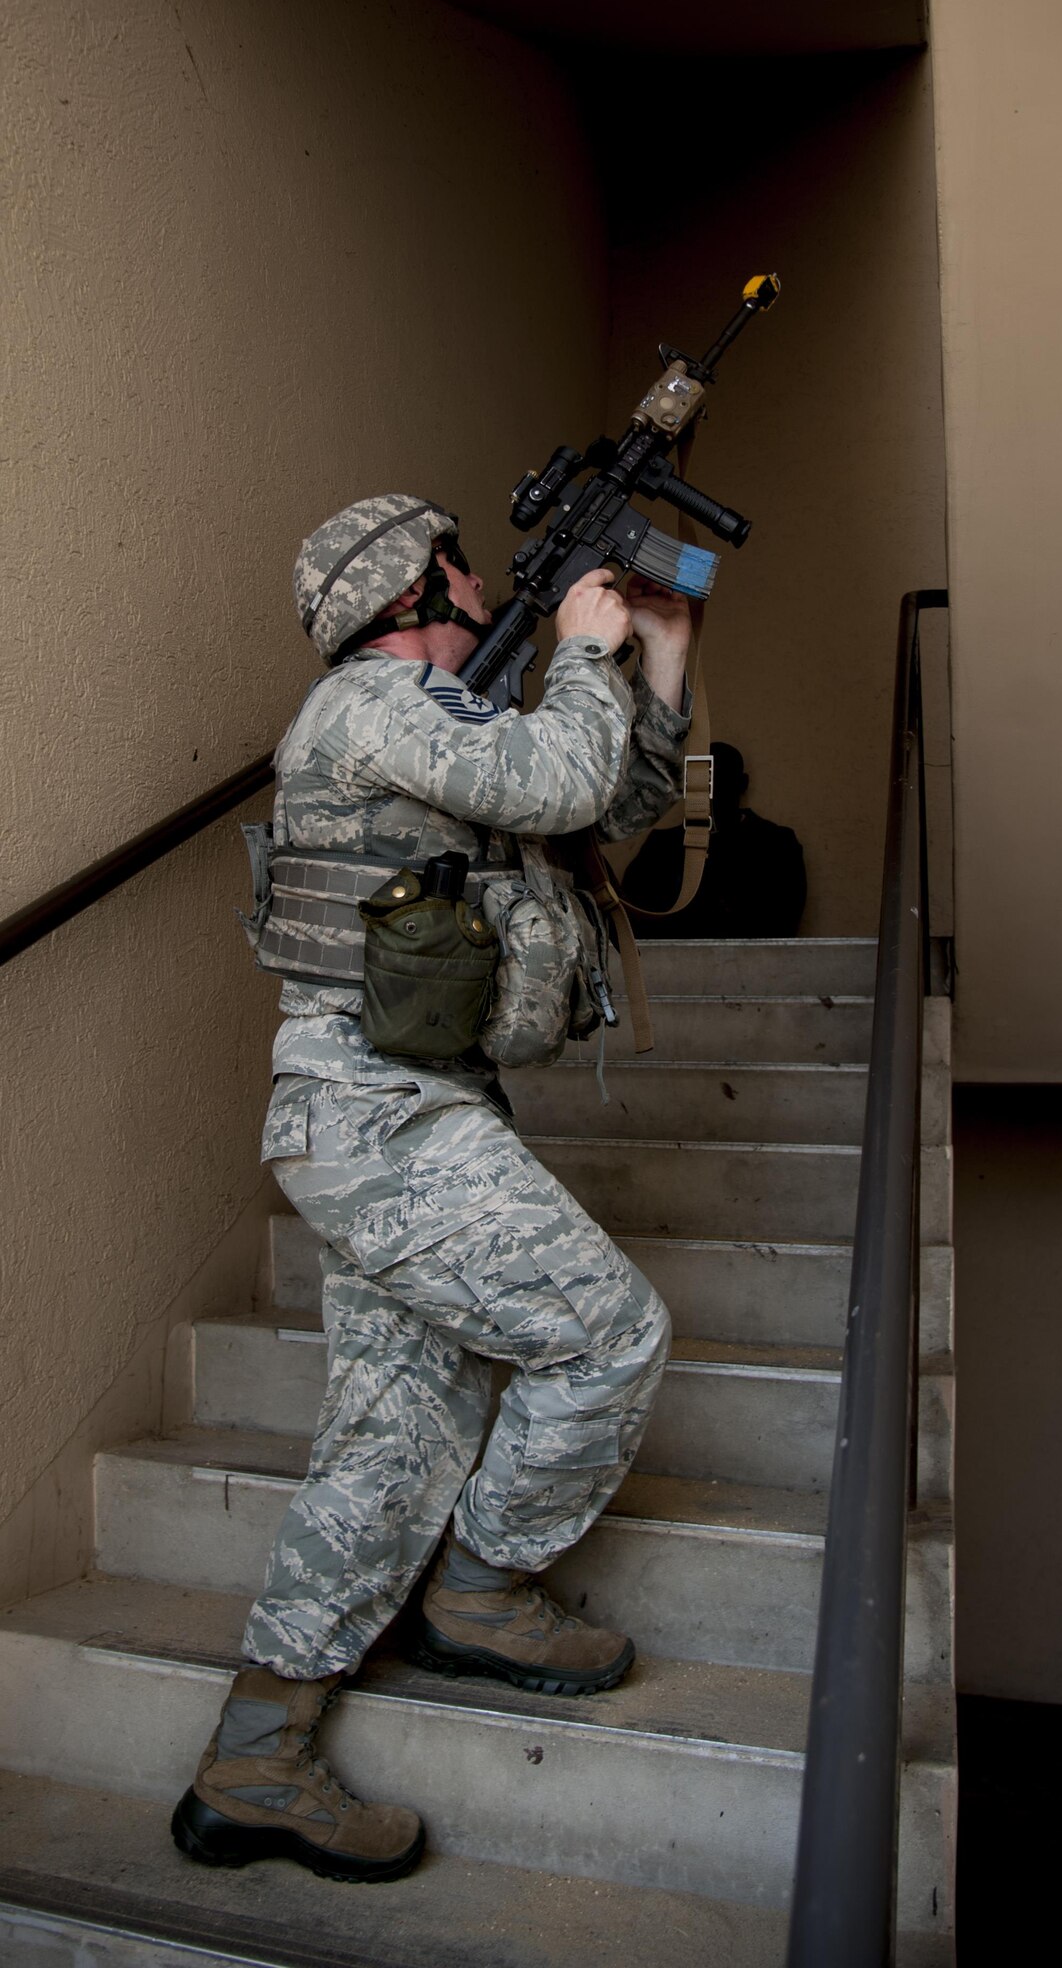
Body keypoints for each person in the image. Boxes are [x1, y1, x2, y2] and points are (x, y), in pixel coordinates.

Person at [171, 493, 693, 1883]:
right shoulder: (361, 707)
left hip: (407, 1112)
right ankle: (481, 1591)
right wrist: (585, 648)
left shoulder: (444, 734)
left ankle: (254, 1760)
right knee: (608, 1332)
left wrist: (665, 654)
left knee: (388, 1445)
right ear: (420, 587)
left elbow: (614, 807)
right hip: (374, 1115)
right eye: (462, 560)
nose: (482, 578)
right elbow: (565, 777)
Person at [621, 740, 807, 936]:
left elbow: (780, 924)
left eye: (721, 778)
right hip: (674, 962)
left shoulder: (776, 845)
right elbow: (635, 921)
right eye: (701, 781)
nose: (710, 791)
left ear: (742, 783)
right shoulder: (661, 847)